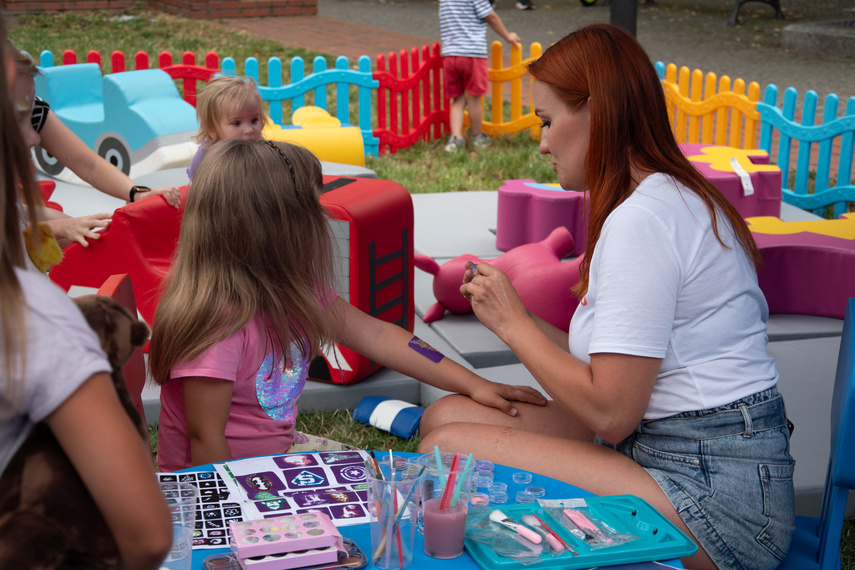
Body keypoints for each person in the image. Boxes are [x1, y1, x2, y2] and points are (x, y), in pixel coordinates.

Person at [418, 24, 795, 570]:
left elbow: (611, 411)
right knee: (445, 417)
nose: (542, 142)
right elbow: (610, 381)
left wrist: (513, 326)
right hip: (668, 444)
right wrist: (513, 317)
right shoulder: (665, 195)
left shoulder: (643, 220)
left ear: (598, 112)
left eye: (548, 122)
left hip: (717, 496)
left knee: (444, 451)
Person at [148, 138, 546, 472]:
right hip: (224, 483)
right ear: (272, 227)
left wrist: (475, 384)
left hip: (276, 456)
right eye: (311, 206)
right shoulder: (217, 324)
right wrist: (244, 521)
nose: (323, 215)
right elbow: (205, 442)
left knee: (395, 485)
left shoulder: (294, 288)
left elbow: (378, 335)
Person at [0, 17, 172, 570]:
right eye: (24, 108)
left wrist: (144, 196)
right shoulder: (32, 321)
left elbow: (90, 164)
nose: (34, 115)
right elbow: (147, 537)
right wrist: (47, 222)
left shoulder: (38, 114)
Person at [8, 43, 182, 212]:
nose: (35, 137)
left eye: (30, 114)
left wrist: (138, 193)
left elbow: (89, 164)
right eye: (19, 118)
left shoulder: (35, 111)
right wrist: (63, 226)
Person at [439, 0, 520, 152]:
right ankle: (478, 136)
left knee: (457, 99)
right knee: (473, 98)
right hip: (472, 55)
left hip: (450, 56)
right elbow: (492, 17)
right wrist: (507, 36)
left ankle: (455, 138)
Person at [186, 75, 267, 180]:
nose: (249, 130)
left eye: (254, 121)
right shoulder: (206, 155)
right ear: (212, 129)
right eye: (237, 123)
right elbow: (196, 184)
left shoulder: (263, 147)